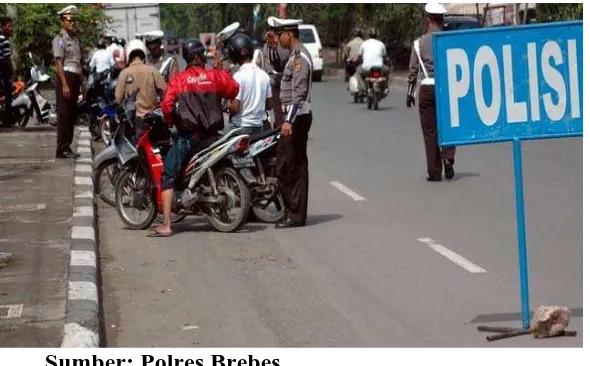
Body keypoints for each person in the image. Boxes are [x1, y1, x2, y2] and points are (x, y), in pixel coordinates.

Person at [149, 39, 239, 238]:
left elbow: (166, 106)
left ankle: (166, 224)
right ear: (199, 56)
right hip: (214, 137)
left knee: (168, 174)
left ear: (188, 58)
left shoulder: (179, 80)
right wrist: (221, 71)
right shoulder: (214, 76)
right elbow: (234, 89)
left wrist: (170, 119)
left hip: (189, 138)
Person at [271, 18, 313, 229]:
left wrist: (288, 120)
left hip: (296, 117)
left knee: (291, 167)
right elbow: (277, 66)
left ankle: (295, 215)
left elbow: (299, 94)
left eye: (280, 35)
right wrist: (271, 46)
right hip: (293, 118)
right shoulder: (293, 56)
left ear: (290, 33)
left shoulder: (300, 59)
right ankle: (292, 211)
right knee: (289, 165)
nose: (279, 39)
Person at [407, 3, 455, 182]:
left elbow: (413, 71)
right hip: (447, 88)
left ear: (428, 20)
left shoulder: (418, 43)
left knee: (430, 131)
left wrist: (410, 93)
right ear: (442, 20)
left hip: (427, 88)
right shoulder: (449, 40)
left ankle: (434, 172)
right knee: (449, 125)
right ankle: (448, 157)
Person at [114, 39, 166, 139]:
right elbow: (165, 91)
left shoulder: (124, 73)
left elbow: (118, 98)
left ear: (128, 55)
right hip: (152, 120)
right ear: (144, 54)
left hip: (132, 122)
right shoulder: (152, 70)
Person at [221, 33, 272, 136]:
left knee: (215, 143)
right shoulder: (264, 76)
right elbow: (269, 105)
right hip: (259, 127)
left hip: (238, 127)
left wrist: (228, 108)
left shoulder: (238, 77)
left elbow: (235, 108)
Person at [52, 5, 83, 159]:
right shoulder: (59, 39)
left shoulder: (76, 40)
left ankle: (67, 146)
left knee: (72, 114)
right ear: (62, 21)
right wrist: (64, 84)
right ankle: (61, 147)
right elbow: (59, 63)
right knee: (64, 114)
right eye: (69, 20)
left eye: (74, 20)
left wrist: (82, 85)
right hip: (66, 77)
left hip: (75, 77)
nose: (72, 23)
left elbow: (79, 63)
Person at [257, 17, 291, 129]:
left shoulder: (284, 45)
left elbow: (284, 57)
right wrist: (270, 46)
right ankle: (278, 127)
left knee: (286, 106)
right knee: (275, 107)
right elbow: (265, 61)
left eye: (273, 31)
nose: (270, 34)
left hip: (286, 80)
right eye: (269, 30)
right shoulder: (266, 46)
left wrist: (276, 45)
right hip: (273, 79)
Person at [357, 28, 390, 94]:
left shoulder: (364, 43)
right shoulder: (381, 44)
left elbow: (359, 56)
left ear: (369, 35)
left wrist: (358, 61)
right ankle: (385, 87)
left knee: (358, 71)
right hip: (380, 67)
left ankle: (363, 89)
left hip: (366, 68)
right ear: (377, 35)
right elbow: (385, 56)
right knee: (387, 71)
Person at [0, 16, 14, 127]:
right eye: (9, 26)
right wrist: (13, 72)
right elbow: (7, 59)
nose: (11, 29)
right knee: (8, 94)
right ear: (2, 27)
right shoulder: (4, 40)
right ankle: (7, 120)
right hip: (3, 72)